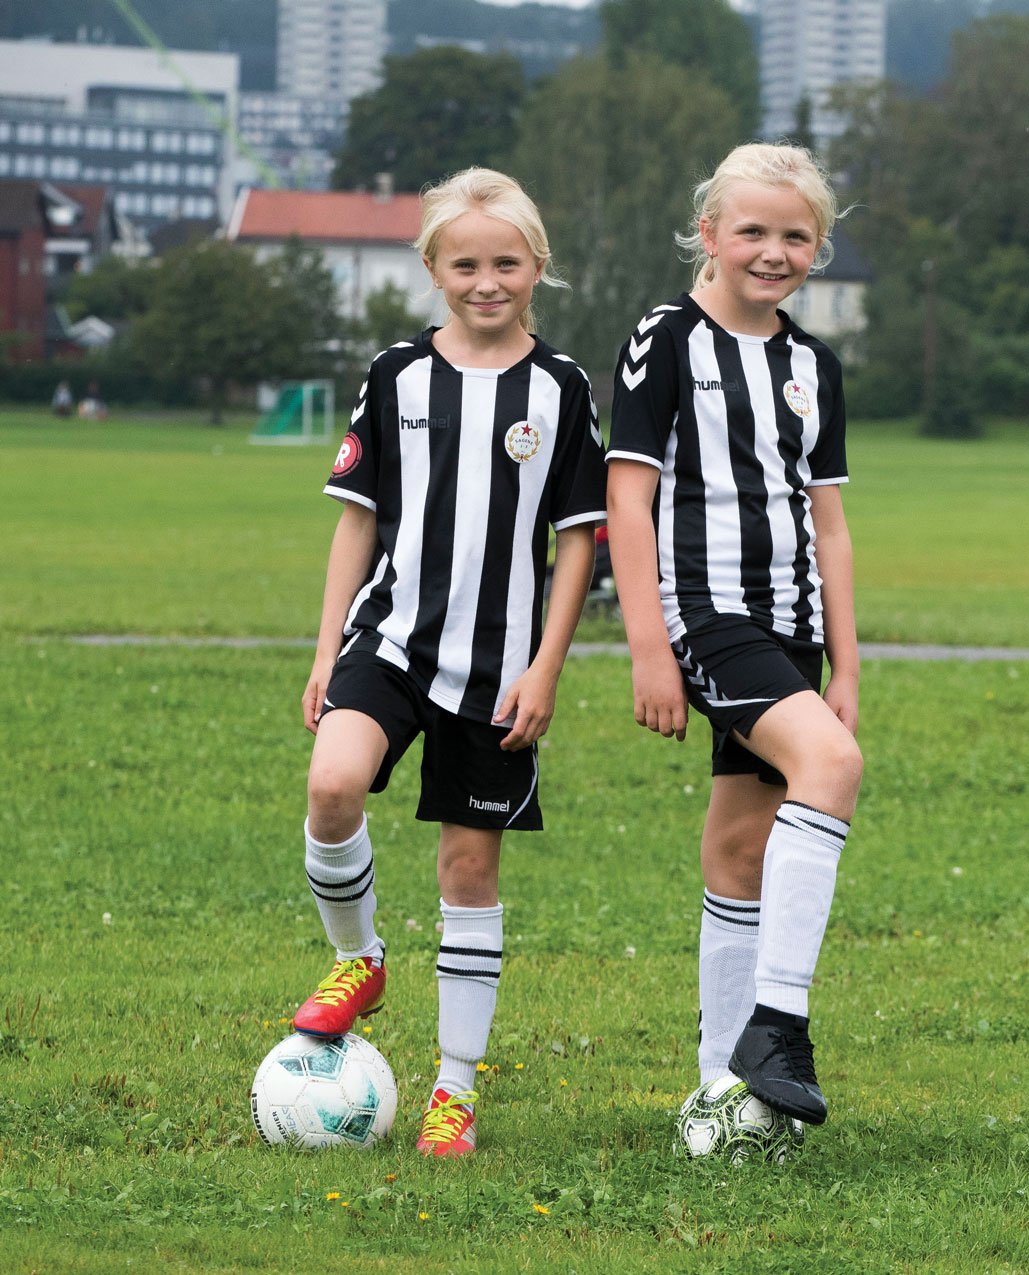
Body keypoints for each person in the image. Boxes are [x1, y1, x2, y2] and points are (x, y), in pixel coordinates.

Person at [292, 167, 607, 1159]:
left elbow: (577, 543)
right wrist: (325, 643)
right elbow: (357, 522)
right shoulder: (394, 377)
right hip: (386, 640)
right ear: (431, 267)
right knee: (332, 785)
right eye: (464, 263)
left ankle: (453, 1090)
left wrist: (547, 667)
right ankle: (359, 960)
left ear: (536, 268)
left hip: (498, 668)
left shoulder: (559, 389)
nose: (486, 280)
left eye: (505, 263)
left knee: (469, 871)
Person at [606, 143, 860, 1130]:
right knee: (831, 769)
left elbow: (828, 521)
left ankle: (719, 1084)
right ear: (708, 233)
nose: (771, 251)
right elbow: (628, 502)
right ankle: (776, 1026)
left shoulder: (812, 365)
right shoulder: (665, 338)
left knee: (741, 842)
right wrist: (646, 647)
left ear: (817, 248)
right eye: (749, 230)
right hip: (708, 614)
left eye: (794, 235)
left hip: (792, 626)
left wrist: (846, 661)